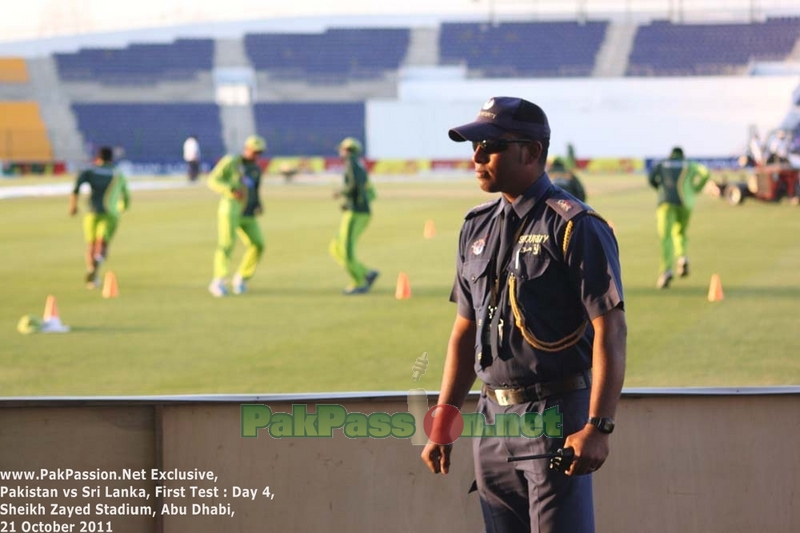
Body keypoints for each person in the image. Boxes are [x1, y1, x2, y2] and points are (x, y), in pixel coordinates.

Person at [421, 96, 627, 533]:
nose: (476, 157)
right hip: (491, 420)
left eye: (489, 146)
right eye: (474, 147)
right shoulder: (475, 226)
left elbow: (611, 328)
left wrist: (599, 426)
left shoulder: (574, 225)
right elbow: (465, 328)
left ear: (531, 152)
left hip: (555, 416)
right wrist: (445, 415)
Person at [207, 135, 267, 297]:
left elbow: (255, 189)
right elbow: (213, 180)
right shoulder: (231, 162)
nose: (257, 155)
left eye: (259, 152)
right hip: (231, 210)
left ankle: (241, 277)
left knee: (258, 244)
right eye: (255, 152)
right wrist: (230, 190)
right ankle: (218, 281)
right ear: (246, 149)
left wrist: (258, 204)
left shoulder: (255, 169)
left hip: (248, 213)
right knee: (226, 245)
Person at [647, 146, 710, 289]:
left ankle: (666, 271)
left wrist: (660, 188)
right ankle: (682, 258)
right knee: (680, 233)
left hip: (665, 203)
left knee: (665, 237)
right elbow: (706, 173)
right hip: (685, 203)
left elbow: (651, 179)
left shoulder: (662, 163)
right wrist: (696, 188)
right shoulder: (689, 164)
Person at [69, 146, 130, 289]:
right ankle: (99, 259)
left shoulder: (90, 171)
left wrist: (73, 206)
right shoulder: (117, 174)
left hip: (91, 213)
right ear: (111, 159)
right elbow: (126, 195)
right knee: (102, 243)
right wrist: (123, 206)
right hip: (110, 213)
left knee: (90, 244)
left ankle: (92, 274)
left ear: (97, 158)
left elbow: (76, 187)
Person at [328, 137, 379, 295]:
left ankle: (359, 282)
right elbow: (370, 193)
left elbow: (352, 187)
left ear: (346, 150)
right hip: (357, 211)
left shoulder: (351, 164)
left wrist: (341, 193)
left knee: (345, 250)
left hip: (356, 213)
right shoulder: (358, 165)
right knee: (335, 247)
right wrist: (351, 201)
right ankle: (366, 273)